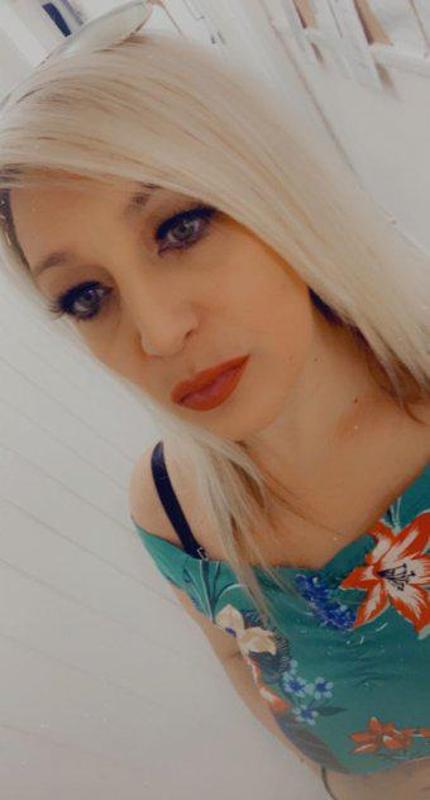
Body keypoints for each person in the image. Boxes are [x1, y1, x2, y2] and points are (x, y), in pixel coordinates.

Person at [0, 22, 429, 800]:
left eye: (180, 227)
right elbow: (238, 654)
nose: (159, 334)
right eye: (87, 295)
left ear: (270, 188)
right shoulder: (168, 503)